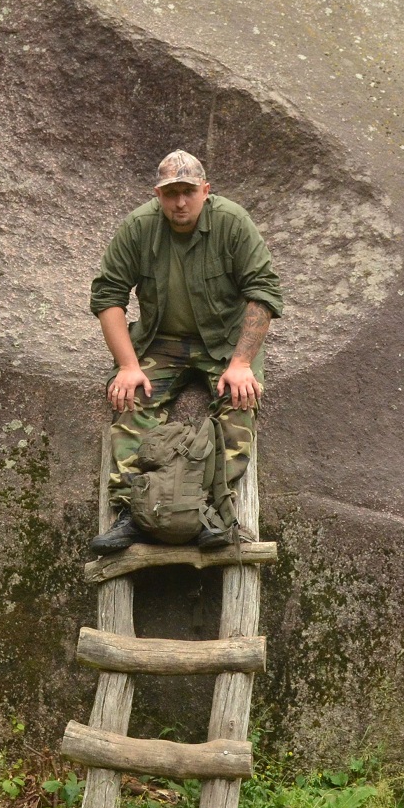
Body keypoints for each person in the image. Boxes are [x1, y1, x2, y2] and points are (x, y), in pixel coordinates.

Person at [87, 150, 283, 554]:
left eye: (188, 192)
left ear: (205, 191)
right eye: (170, 193)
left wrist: (242, 363)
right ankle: (132, 511)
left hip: (225, 343)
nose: (180, 202)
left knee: (239, 402)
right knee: (130, 400)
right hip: (162, 340)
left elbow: (263, 291)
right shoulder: (140, 227)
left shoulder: (231, 222)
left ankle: (210, 512)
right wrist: (127, 366)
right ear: (157, 194)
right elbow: (107, 295)